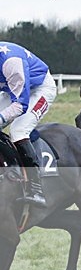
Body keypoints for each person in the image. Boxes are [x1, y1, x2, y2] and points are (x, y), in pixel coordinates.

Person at [0, 41, 57, 206]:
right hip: (12, 90)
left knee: (18, 130)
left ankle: (36, 188)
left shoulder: (11, 62)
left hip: (39, 90)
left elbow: (20, 105)